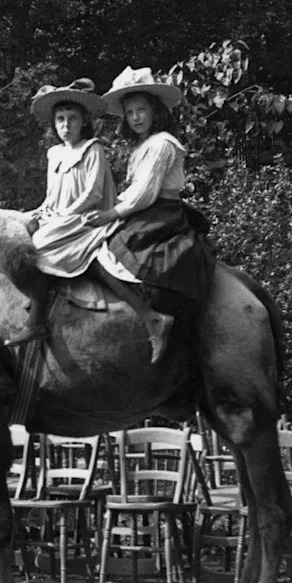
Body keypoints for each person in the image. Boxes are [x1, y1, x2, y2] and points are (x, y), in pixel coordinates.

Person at [82, 65, 216, 363]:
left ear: (155, 111)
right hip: (144, 211)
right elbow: (133, 193)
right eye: (130, 113)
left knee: (101, 252)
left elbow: (144, 193)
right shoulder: (143, 146)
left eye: (141, 110)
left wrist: (110, 214)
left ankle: (151, 318)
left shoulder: (162, 144)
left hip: (160, 216)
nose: (136, 118)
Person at [4, 78, 118, 346]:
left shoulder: (93, 149)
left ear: (84, 121)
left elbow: (94, 194)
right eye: (60, 119)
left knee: (41, 242)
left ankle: (37, 321)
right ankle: (33, 292)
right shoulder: (54, 153)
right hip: (60, 214)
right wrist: (39, 212)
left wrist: (65, 214)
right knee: (19, 229)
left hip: (86, 217)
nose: (66, 126)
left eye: (73, 119)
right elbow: (52, 195)